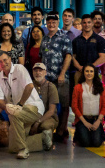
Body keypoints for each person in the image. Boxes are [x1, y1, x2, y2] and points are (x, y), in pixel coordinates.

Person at [0, 52, 52, 159]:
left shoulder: (19, 68)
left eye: (5, 60)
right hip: (18, 111)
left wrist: (19, 105)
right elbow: (0, 100)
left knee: (14, 114)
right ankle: (42, 138)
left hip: (33, 106)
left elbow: (29, 87)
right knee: (12, 148)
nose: (3, 63)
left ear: (10, 59)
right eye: (0, 62)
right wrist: (7, 107)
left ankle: (23, 149)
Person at [41, 11, 75, 142]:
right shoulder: (44, 39)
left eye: (54, 22)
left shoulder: (64, 37)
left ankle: (61, 131)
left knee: (64, 105)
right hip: (46, 79)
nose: (51, 24)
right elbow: (42, 57)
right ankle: (49, 130)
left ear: (57, 23)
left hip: (61, 78)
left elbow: (68, 56)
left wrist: (62, 73)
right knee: (49, 105)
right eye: (49, 22)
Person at [71, 64, 105, 148]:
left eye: (91, 71)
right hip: (82, 120)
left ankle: (96, 132)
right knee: (85, 143)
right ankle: (78, 134)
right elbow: (74, 106)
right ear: (83, 73)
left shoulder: (100, 87)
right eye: (86, 71)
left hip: (96, 119)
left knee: (96, 143)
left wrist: (98, 121)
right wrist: (85, 122)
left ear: (94, 73)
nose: (89, 73)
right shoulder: (78, 87)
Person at [30, 63, 59, 137]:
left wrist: (37, 122)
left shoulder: (51, 87)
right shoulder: (29, 85)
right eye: (35, 71)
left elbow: (51, 111)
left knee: (45, 126)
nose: (38, 73)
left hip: (48, 117)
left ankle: (46, 140)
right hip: (32, 115)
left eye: (40, 70)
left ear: (45, 73)